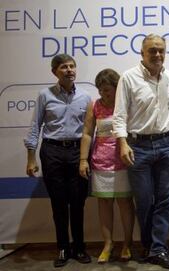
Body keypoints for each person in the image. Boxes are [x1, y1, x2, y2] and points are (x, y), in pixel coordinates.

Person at [112, 34, 169, 269]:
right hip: (137, 147)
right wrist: (122, 143)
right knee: (143, 201)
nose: (158, 55)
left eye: (161, 50)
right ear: (142, 53)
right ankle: (149, 245)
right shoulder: (129, 78)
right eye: (152, 50)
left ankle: (158, 248)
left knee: (165, 200)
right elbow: (119, 115)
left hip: (166, 145)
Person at [24, 54, 91, 268]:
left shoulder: (86, 96)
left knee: (78, 203)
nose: (69, 70)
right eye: (64, 67)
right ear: (55, 72)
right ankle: (63, 247)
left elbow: (89, 131)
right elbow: (35, 127)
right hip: (52, 152)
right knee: (59, 203)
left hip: (77, 153)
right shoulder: (45, 95)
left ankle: (79, 247)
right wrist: (31, 158)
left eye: (72, 66)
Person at [79, 69, 135, 263]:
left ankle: (127, 244)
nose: (104, 94)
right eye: (101, 90)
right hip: (100, 163)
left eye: (108, 90)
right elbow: (87, 133)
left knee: (125, 204)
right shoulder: (94, 106)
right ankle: (108, 244)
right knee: (104, 204)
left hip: (123, 161)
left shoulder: (126, 104)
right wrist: (83, 159)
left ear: (117, 88)